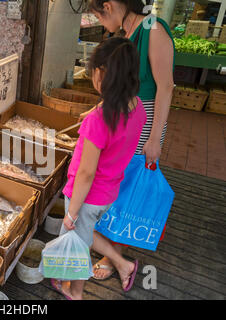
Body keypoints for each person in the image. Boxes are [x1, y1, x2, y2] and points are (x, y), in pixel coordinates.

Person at [80, 0, 174, 281]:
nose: (98, 21)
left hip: (142, 121)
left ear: (108, 5)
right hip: (123, 116)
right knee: (113, 184)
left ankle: (114, 255)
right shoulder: (126, 32)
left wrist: (156, 138)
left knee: (126, 188)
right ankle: (108, 244)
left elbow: (166, 87)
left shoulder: (153, 29)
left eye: (97, 14)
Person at [50, 37, 146, 300]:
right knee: (86, 233)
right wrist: (97, 109)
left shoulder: (99, 122)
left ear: (102, 74)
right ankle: (123, 264)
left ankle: (75, 292)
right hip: (109, 191)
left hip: (87, 196)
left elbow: (86, 173)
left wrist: (71, 212)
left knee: (78, 246)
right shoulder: (137, 108)